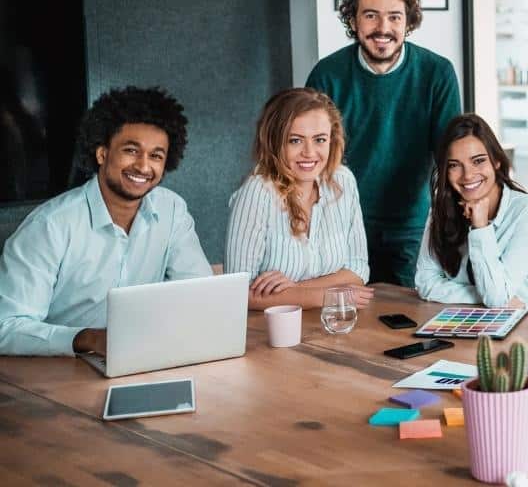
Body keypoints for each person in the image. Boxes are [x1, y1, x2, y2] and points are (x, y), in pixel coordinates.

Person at [0, 86, 211, 356]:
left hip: (142, 360)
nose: (144, 167)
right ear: (102, 153)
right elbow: (6, 327)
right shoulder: (50, 226)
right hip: (61, 372)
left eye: (156, 156)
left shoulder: (172, 211)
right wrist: (87, 339)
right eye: (131, 151)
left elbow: (201, 296)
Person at [305, 0, 462, 287]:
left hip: (409, 225)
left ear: (409, 22)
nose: (383, 28)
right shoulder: (327, 75)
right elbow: (308, 156)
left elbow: (451, 156)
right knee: (342, 315)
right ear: (353, 21)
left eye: (394, 17)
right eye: (371, 16)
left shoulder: (437, 73)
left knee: (404, 319)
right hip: (338, 224)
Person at [225, 88, 373, 310]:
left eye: (320, 140)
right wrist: (326, 296)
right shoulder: (257, 192)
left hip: (332, 323)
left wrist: (293, 288)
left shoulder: (343, 181)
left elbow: (358, 270)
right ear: (274, 142)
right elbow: (237, 292)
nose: (309, 152)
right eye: (295, 141)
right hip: (270, 333)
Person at [414, 114, 528, 312]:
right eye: (454, 165)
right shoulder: (441, 210)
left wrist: (480, 227)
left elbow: (497, 297)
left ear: (497, 161)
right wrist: (479, 298)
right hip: (466, 323)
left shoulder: (526, 211)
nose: (468, 175)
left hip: (526, 327)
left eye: (478, 161)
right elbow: (425, 283)